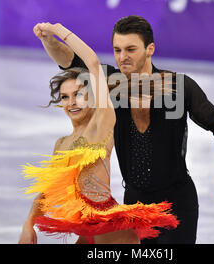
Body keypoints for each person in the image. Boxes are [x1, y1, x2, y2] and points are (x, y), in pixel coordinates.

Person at [33, 15, 214, 244]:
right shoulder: (110, 82)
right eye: (117, 50)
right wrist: (47, 38)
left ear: (149, 49)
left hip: (177, 202)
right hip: (135, 202)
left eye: (130, 49)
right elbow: (70, 61)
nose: (123, 57)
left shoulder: (178, 86)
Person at [18, 23, 178, 244]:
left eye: (79, 94)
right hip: (87, 228)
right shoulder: (62, 143)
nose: (72, 102)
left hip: (109, 225)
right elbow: (47, 192)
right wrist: (29, 224)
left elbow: (92, 63)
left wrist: (58, 30)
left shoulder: (101, 123)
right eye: (65, 97)